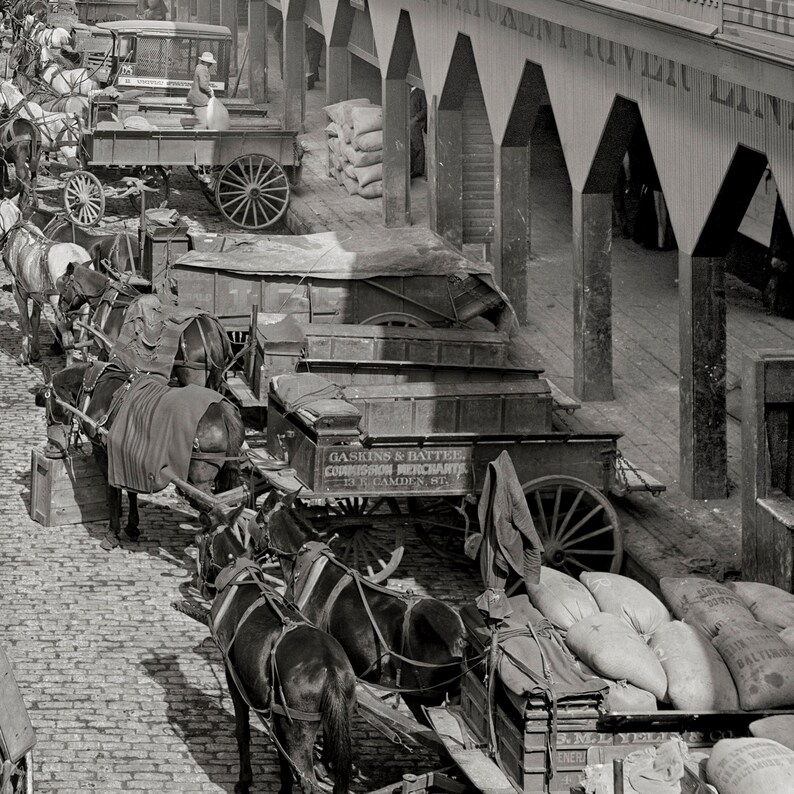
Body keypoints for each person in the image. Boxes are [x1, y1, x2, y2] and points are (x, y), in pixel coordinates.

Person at [187, 51, 215, 129]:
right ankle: (194, 139)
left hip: (198, 98)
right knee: (203, 123)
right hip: (199, 100)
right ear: (207, 63)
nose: (211, 64)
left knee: (205, 121)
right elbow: (203, 85)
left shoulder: (200, 68)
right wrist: (210, 91)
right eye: (210, 63)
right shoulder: (202, 70)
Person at [409, 87, 427, 179]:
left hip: (415, 123)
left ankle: (418, 170)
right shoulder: (407, 91)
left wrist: (415, 119)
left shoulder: (420, 92)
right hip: (408, 123)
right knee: (411, 146)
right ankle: (412, 169)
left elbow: (425, 109)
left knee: (418, 146)